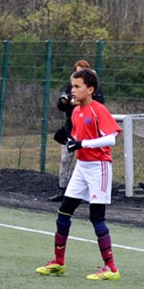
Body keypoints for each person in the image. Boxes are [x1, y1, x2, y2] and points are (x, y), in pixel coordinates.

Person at [36, 68, 122, 281]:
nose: (72, 90)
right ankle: (58, 262)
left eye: (77, 86)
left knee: (96, 217)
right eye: (72, 86)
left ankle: (111, 268)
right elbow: (76, 137)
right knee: (64, 212)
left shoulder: (98, 109)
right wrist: (70, 140)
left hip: (99, 167)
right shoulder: (76, 111)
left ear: (90, 89)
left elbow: (111, 138)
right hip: (82, 167)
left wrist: (83, 143)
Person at [48, 60, 105, 202]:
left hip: (87, 132)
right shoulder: (71, 86)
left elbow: (97, 104)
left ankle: (88, 192)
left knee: (87, 162)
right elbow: (62, 104)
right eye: (76, 72)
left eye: (82, 72)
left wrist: (74, 101)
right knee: (65, 159)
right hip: (71, 129)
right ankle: (62, 190)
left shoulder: (95, 88)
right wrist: (64, 101)